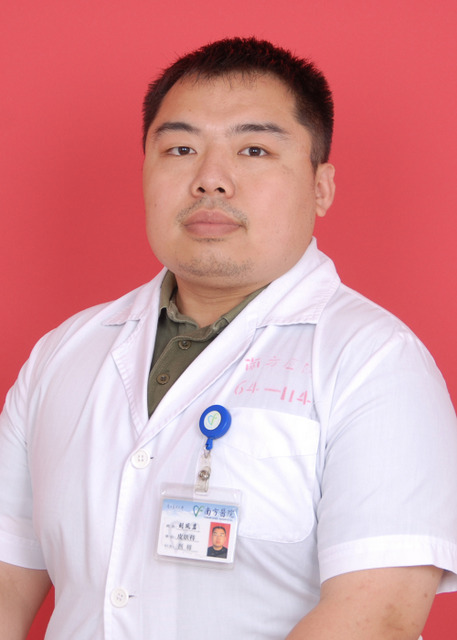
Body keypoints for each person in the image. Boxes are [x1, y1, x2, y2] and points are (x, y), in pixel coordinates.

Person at [0, 36, 457, 640]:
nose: (210, 180)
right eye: (181, 149)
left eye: (254, 149)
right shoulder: (64, 353)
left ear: (321, 187)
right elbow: (7, 580)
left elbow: (377, 618)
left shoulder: (375, 362)